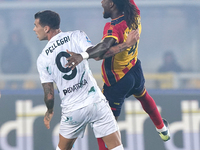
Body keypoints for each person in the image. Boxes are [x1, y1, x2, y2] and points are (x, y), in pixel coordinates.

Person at [66, 0, 170, 149]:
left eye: (104, 1)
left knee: (104, 125)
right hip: (135, 69)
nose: (101, 2)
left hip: (117, 81)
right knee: (143, 96)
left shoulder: (113, 27)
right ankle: (163, 129)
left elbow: (103, 48)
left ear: (112, 4)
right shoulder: (134, 13)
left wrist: (82, 56)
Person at [33, 10, 139, 150]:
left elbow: (49, 94)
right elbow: (98, 54)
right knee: (116, 147)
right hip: (95, 102)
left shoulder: (42, 59)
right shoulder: (77, 35)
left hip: (72, 110)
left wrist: (50, 110)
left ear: (46, 28)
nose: (34, 29)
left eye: (36, 25)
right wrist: (126, 44)